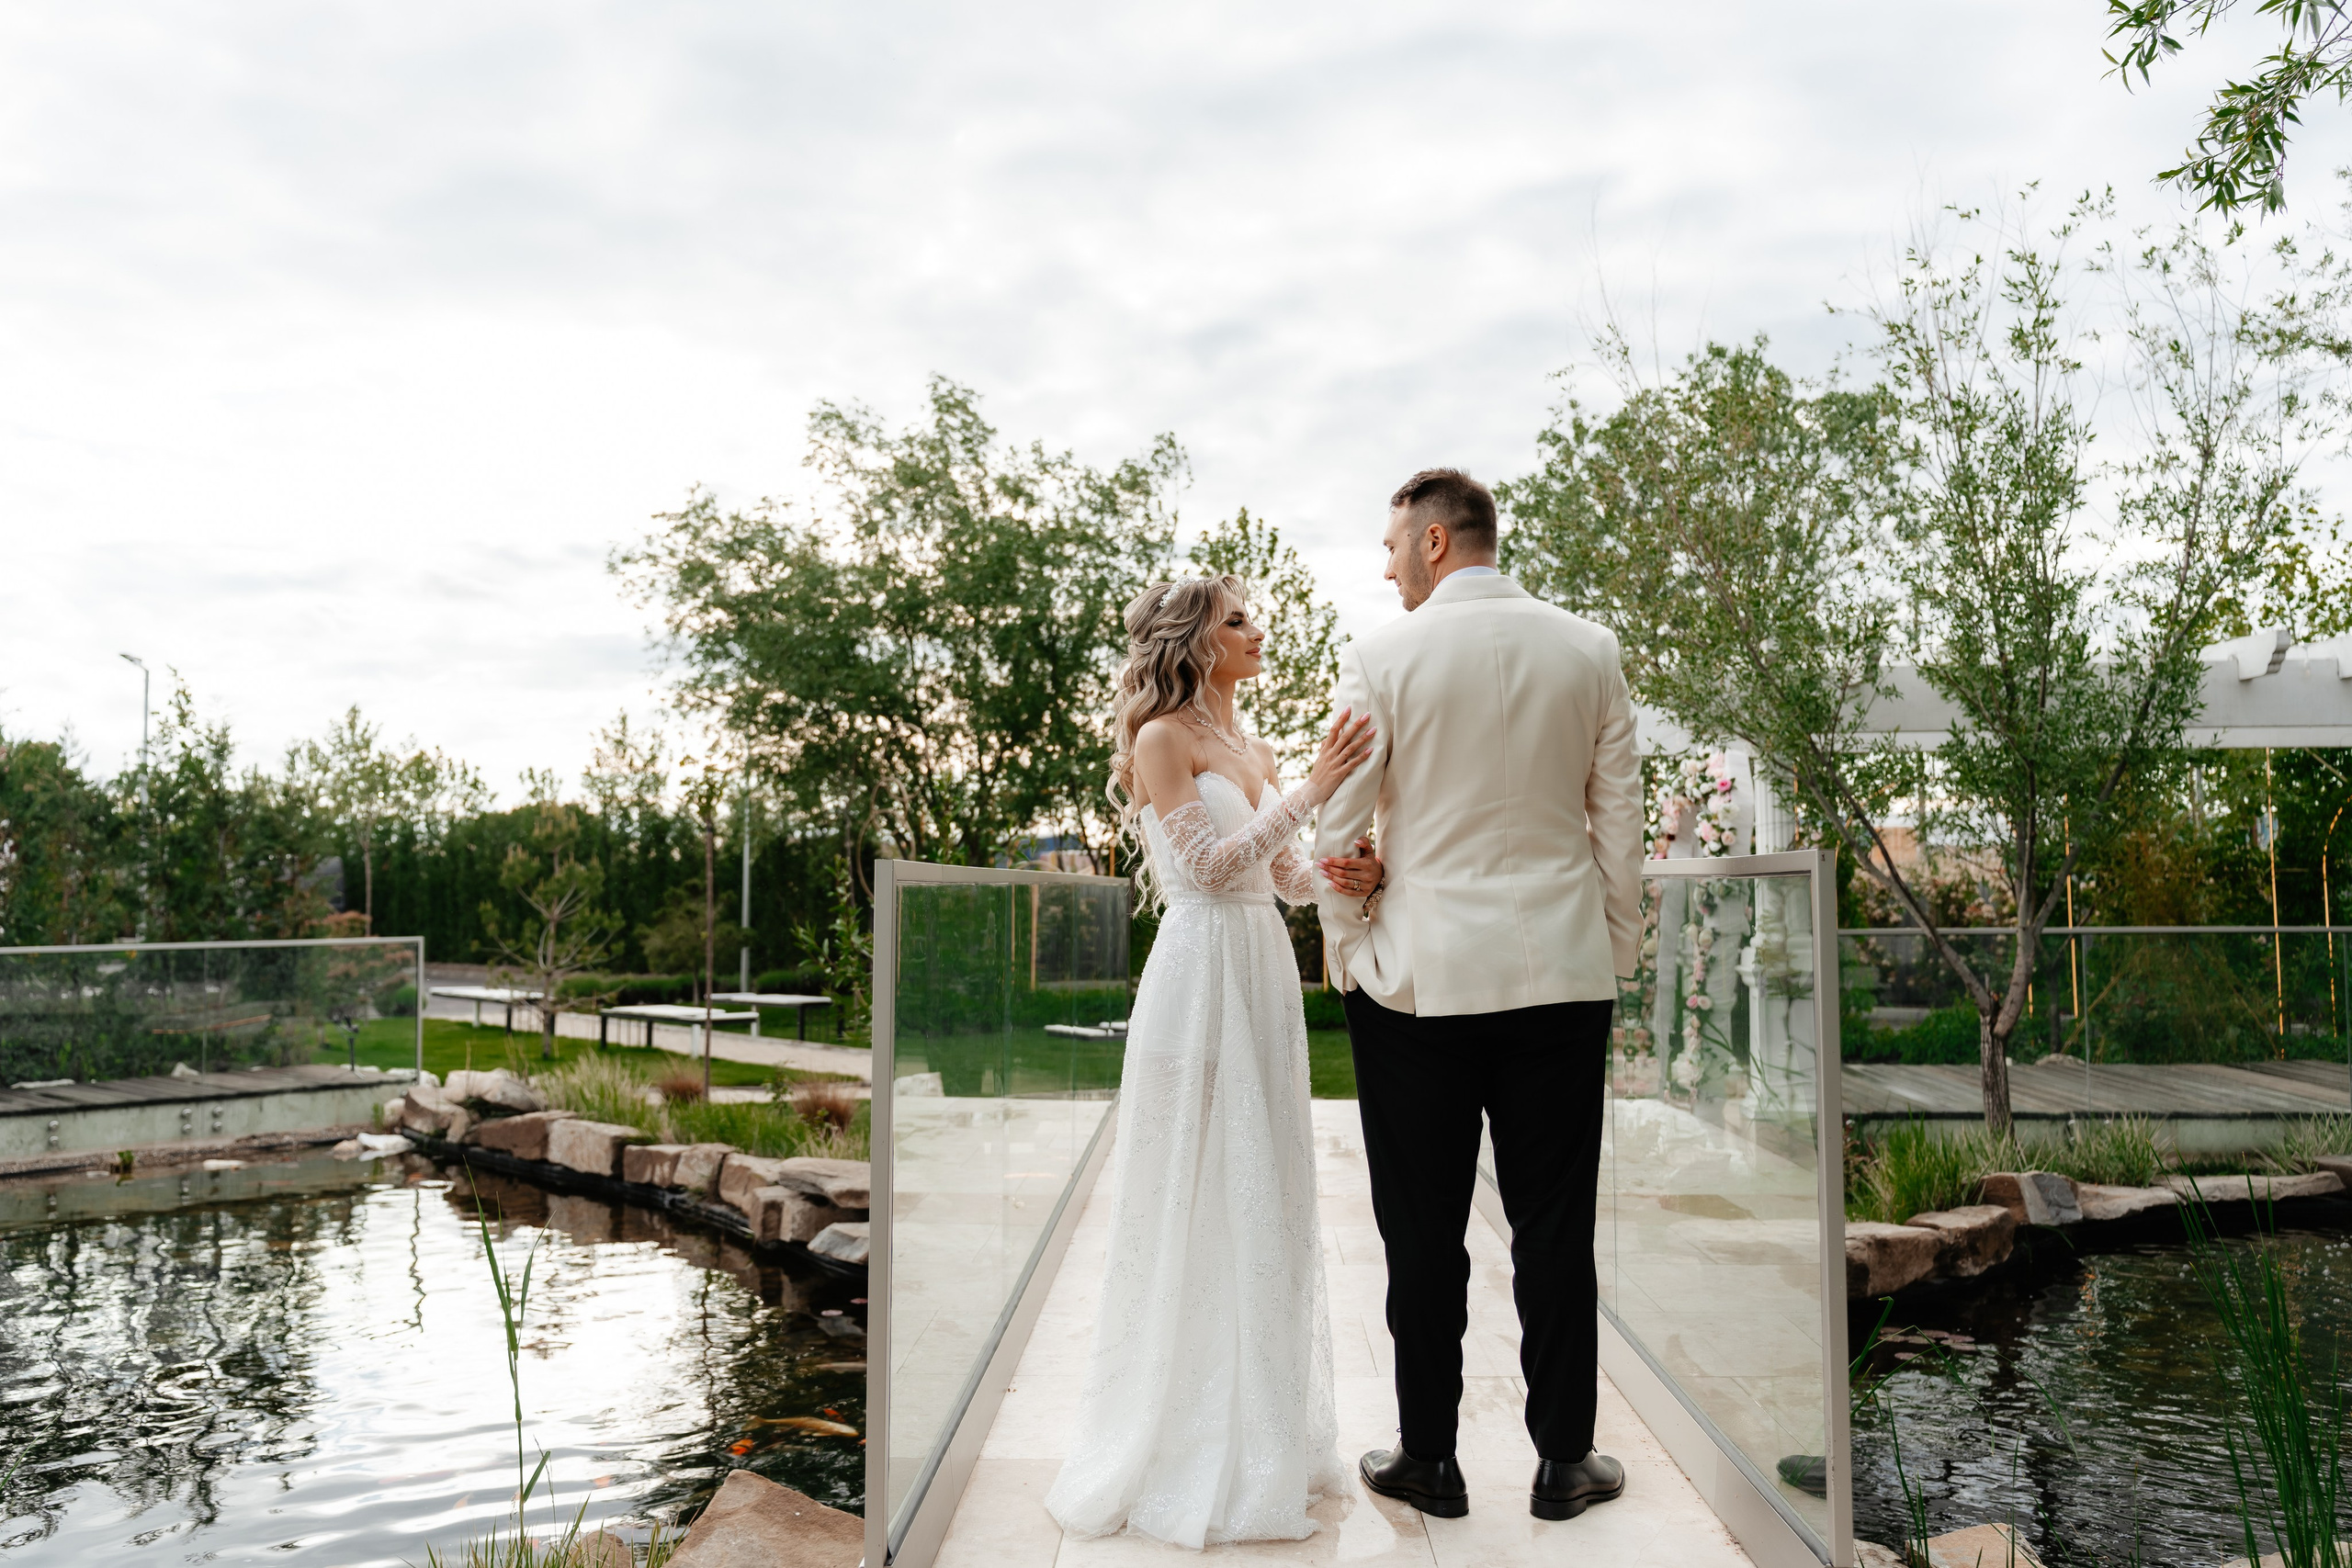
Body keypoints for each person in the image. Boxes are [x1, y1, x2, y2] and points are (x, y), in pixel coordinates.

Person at [1313, 468, 1643, 1522]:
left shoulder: (1381, 656)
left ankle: (1428, 1459)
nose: (1385, 562)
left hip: (1417, 985)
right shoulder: (1590, 649)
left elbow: (1335, 832)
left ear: (1439, 544)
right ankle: (1563, 1463)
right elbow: (1618, 826)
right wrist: (1616, 954)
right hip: (1558, 975)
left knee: (1420, 1229)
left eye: (1393, 543)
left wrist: (1354, 942)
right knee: (1553, 1225)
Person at [1043, 573, 1384, 1548]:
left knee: (1263, 1192)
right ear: (1194, 641)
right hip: (1196, 976)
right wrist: (1311, 789)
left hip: (1260, 972)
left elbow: (1276, 876)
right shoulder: (1164, 740)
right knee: (1193, 1188)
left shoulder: (1252, 746)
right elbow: (1203, 869)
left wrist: (1342, 863)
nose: (1256, 630)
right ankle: (1178, 1440)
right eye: (1238, 620)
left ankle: (1263, 1435)